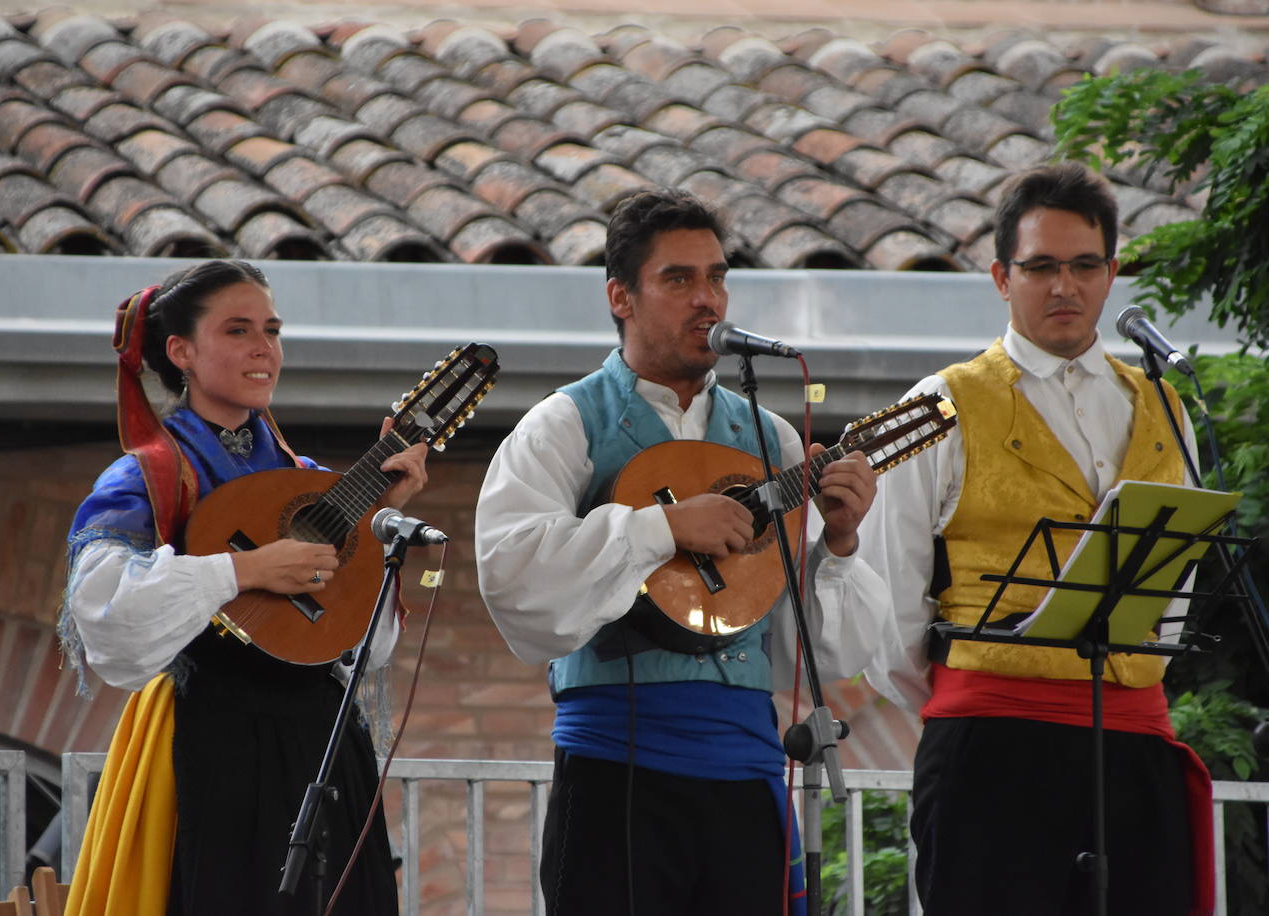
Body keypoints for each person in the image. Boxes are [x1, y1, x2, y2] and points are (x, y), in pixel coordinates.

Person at [474, 188, 890, 916]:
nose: (709, 300)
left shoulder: (775, 441)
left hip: (749, 763)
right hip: (615, 767)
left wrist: (845, 545)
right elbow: (512, 575)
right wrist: (661, 530)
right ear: (620, 296)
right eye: (679, 279)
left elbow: (820, 652)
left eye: (718, 277)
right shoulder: (564, 425)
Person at [857, 163, 1212, 915]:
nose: (1065, 286)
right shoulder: (938, 402)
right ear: (999, 276)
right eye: (1041, 266)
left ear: (1112, 273)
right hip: (991, 742)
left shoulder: (1166, 405)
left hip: (1133, 738)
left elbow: (1174, 589)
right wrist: (980, 692)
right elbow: (890, 597)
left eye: (1085, 266)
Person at [60, 259, 427, 914]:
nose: (264, 348)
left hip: (321, 738)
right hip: (211, 735)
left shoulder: (309, 481)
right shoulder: (150, 474)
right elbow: (104, 608)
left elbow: (365, 645)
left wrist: (372, 521)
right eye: (238, 330)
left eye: (273, 328)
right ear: (182, 352)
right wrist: (244, 570)